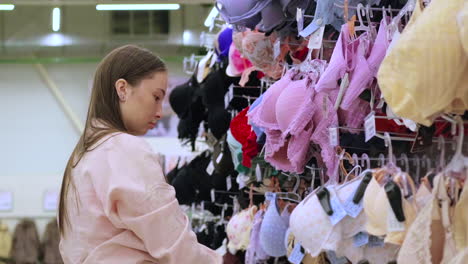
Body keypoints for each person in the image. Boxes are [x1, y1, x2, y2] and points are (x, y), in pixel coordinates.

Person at [58, 45, 222, 264]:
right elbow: (171, 240)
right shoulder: (122, 148)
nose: (159, 111)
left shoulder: (83, 155)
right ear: (122, 89)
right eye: (156, 97)